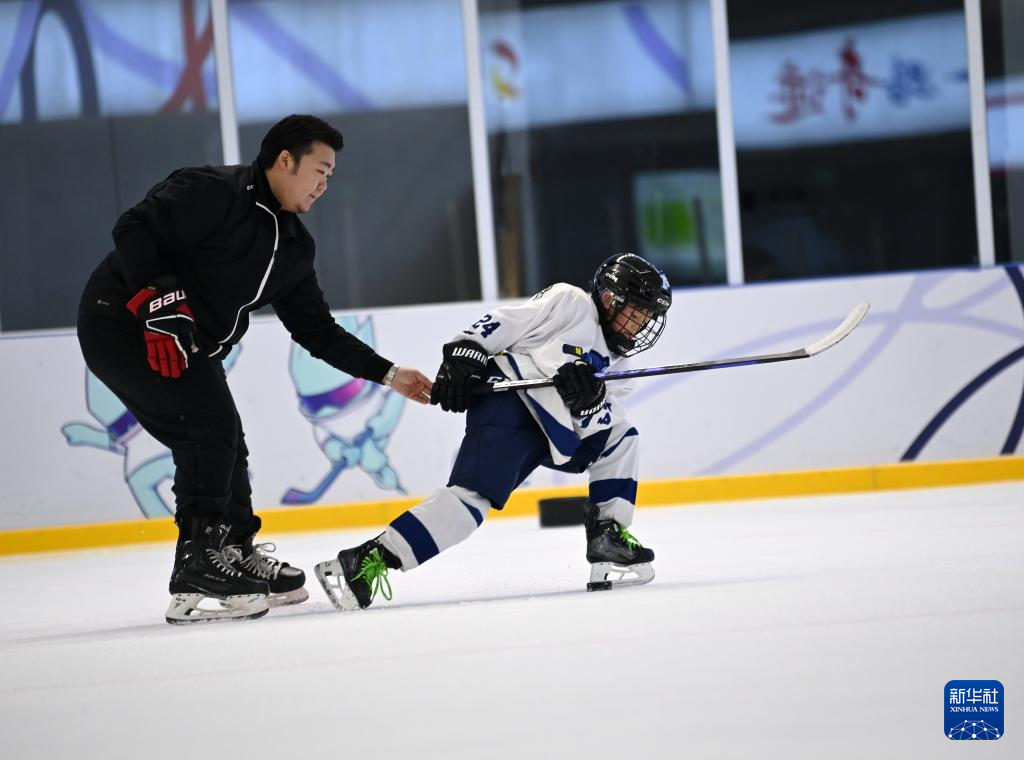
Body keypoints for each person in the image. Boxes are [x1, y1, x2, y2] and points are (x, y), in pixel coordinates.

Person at [76, 114, 433, 624]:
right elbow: (134, 227)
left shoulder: (294, 248)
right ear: (285, 160)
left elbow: (316, 330)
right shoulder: (211, 190)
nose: (325, 185)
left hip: (190, 343)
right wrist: (156, 299)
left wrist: (389, 374)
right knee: (207, 429)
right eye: (320, 171)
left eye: (331, 176)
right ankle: (198, 562)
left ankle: (234, 551)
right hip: (120, 322)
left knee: (227, 439)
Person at [315, 252, 672, 610]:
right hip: (512, 406)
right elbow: (506, 322)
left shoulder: (621, 370)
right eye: (636, 313)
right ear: (609, 298)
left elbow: (596, 427)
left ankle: (607, 536)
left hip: (553, 433)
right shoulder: (572, 303)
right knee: (467, 506)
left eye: (647, 318)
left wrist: (588, 403)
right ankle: (365, 560)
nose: (640, 325)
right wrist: (465, 352)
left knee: (621, 438)